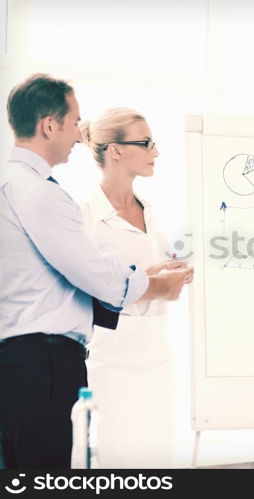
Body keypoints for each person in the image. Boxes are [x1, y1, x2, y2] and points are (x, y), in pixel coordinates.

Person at [0, 74, 192, 468]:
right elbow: (95, 277)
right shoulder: (43, 194)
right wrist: (154, 285)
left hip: (51, 357)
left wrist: (145, 277)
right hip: (47, 359)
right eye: (73, 123)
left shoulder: (16, 184)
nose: (77, 134)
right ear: (48, 125)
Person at [79, 108, 184, 467]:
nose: (155, 151)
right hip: (113, 356)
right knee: (114, 459)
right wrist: (151, 283)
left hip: (158, 352)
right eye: (146, 143)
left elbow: (147, 272)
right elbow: (81, 292)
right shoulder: (84, 216)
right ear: (116, 151)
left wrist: (174, 275)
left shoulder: (151, 211)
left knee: (158, 459)